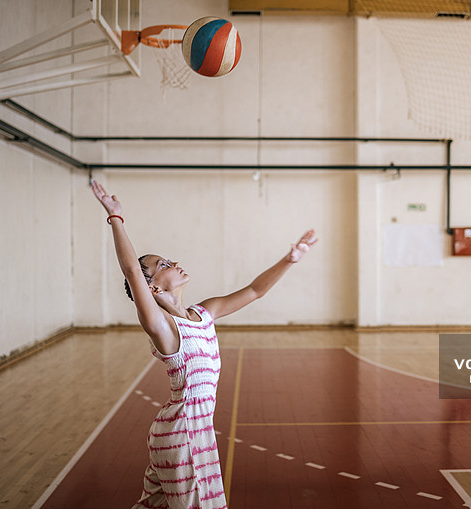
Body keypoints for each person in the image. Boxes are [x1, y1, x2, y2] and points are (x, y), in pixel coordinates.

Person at [90, 179, 318, 508]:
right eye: (163, 266)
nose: (173, 262)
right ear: (152, 287)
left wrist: (290, 259)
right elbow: (131, 270)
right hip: (182, 436)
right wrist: (116, 218)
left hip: (196, 433)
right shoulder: (163, 326)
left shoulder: (204, 313)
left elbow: (255, 291)